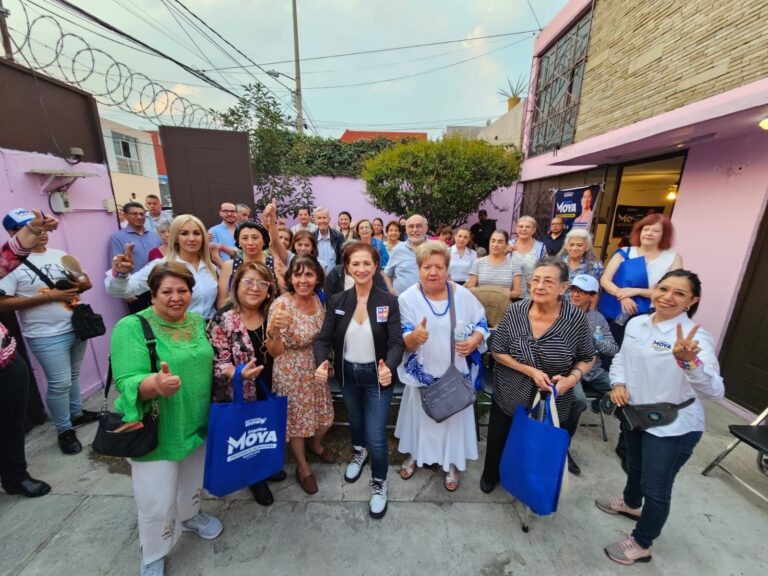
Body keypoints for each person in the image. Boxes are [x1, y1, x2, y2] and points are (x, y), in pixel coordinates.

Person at [597, 269, 724, 565]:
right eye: (664, 289)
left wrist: (688, 361)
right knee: (634, 466)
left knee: (657, 487)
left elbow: (715, 391)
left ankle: (642, 542)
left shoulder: (696, 339)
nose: (668, 297)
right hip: (636, 414)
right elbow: (621, 359)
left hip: (673, 425)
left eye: (679, 293)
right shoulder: (638, 323)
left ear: (692, 301)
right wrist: (618, 384)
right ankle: (630, 503)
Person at [111, 262, 222, 576]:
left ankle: (190, 516)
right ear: (153, 293)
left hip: (196, 421)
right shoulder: (132, 327)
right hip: (158, 427)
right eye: (167, 291)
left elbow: (209, 364)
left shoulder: (198, 322)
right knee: (156, 499)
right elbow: (126, 380)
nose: (176, 298)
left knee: (192, 479)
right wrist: (153, 385)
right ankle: (153, 552)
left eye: (182, 291)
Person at [480, 258, 595, 493]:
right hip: (510, 391)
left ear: (563, 287)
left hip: (553, 397)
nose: (540, 286)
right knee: (499, 438)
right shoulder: (516, 311)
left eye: (548, 281)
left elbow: (587, 356)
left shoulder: (575, 319)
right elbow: (498, 351)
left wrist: (571, 379)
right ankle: (492, 474)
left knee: (538, 445)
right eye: (536, 280)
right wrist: (530, 370)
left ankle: (527, 480)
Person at [314, 242, 403, 518]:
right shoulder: (338, 301)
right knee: (355, 420)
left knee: (377, 435)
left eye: (367, 263)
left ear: (376, 267)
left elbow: (396, 343)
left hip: (378, 377)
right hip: (348, 374)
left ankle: (379, 483)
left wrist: (389, 366)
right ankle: (358, 452)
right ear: (348, 268)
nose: (362, 268)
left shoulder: (388, 301)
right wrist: (322, 362)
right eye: (356, 264)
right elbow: (323, 338)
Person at [0, 210, 98, 455]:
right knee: (59, 382)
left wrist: (81, 284)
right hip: (44, 333)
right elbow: (3, 303)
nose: (41, 233)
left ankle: (76, 413)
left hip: (76, 325)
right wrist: (50, 297)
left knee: (73, 375)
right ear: (14, 234)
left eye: (42, 227)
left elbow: (83, 284)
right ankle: (64, 430)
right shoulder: (10, 265)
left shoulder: (59, 255)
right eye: (32, 228)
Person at [395, 241, 489, 491]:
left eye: (439, 267)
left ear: (447, 269)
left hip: (454, 372)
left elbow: (482, 323)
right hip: (423, 374)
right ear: (419, 269)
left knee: (453, 419)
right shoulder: (407, 298)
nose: (433, 272)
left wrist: (474, 340)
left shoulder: (462, 294)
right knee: (421, 418)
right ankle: (416, 455)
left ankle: (452, 464)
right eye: (427, 267)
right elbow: (403, 339)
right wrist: (415, 338)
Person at [207, 262, 286, 506]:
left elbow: (277, 352)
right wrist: (239, 373)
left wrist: (274, 332)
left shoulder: (270, 313)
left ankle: (267, 465)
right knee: (247, 434)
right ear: (236, 285)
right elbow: (217, 363)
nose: (255, 288)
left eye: (262, 283)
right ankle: (255, 478)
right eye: (248, 282)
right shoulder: (222, 319)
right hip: (238, 389)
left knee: (265, 430)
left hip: (268, 383)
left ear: (269, 289)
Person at [0, 209, 58, 497]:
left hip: (7, 359)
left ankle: (15, 477)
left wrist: (33, 229)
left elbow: (8, 257)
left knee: (11, 423)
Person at [266, 255, 331, 495]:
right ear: (290, 278)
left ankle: (316, 444)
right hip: (290, 368)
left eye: (309, 274)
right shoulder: (281, 305)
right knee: (297, 423)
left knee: (325, 418)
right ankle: (303, 468)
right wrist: (274, 328)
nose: (303, 280)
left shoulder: (318, 299)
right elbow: (274, 350)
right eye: (298, 274)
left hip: (315, 366)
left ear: (317, 278)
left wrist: (325, 362)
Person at [107, 215, 219, 320]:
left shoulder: (210, 268)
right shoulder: (162, 266)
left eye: (197, 233)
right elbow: (123, 290)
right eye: (184, 233)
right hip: (176, 332)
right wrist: (121, 274)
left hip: (208, 332)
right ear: (175, 237)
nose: (191, 239)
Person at [562, 274, 618, 475]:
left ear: (592, 296)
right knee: (578, 401)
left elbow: (612, 349)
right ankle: (563, 448)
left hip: (594, 370)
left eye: (582, 292)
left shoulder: (597, 318)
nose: (576, 295)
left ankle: (628, 447)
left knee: (625, 392)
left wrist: (594, 339)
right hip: (571, 370)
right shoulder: (561, 312)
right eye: (574, 290)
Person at [599, 213, 683, 341]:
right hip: (617, 311)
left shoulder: (673, 258)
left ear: (664, 235)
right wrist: (622, 296)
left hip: (652, 314)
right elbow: (605, 280)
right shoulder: (625, 252)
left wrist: (636, 291)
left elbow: (673, 291)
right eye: (646, 229)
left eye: (655, 230)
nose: (649, 233)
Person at [216, 214, 286, 309]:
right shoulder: (229, 266)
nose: (250, 243)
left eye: (255, 238)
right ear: (239, 242)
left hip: (270, 317)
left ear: (264, 241)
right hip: (237, 319)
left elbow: (285, 297)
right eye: (245, 238)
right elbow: (221, 303)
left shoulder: (275, 264)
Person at [108, 201, 162, 313]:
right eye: (135, 214)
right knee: (141, 322)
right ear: (125, 215)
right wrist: (124, 292)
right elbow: (115, 265)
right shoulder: (118, 237)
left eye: (142, 214)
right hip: (136, 289)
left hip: (158, 286)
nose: (139, 217)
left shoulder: (154, 235)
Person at [464, 230, 521, 300]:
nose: (495, 245)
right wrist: (486, 293)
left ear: (506, 245)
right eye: (493, 241)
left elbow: (517, 292)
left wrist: (497, 294)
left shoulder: (514, 265)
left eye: (500, 242)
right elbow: (470, 287)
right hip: (480, 307)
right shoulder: (478, 262)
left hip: (504, 308)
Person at [383, 214, 428, 295]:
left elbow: (447, 275)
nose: (414, 230)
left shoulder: (436, 249)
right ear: (406, 229)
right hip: (402, 302)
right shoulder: (398, 249)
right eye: (411, 226)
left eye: (418, 226)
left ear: (426, 228)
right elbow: (387, 274)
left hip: (430, 301)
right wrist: (391, 291)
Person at [558, 228, 604, 302]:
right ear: (566, 247)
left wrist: (590, 312)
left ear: (587, 247)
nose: (574, 248)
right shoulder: (558, 263)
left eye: (580, 245)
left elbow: (596, 292)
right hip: (557, 306)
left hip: (580, 310)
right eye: (571, 244)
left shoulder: (595, 267)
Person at [507, 215, 547, 299]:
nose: (523, 229)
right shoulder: (508, 245)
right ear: (516, 229)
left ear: (534, 230)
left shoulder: (540, 247)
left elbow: (545, 268)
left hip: (532, 294)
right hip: (509, 293)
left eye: (528, 227)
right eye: (521, 226)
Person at [314, 207, 345, 273]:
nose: (322, 221)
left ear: (329, 219)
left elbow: (343, 257)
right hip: (317, 276)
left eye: (324, 218)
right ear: (315, 220)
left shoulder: (338, 236)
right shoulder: (311, 236)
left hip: (335, 276)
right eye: (319, 218)